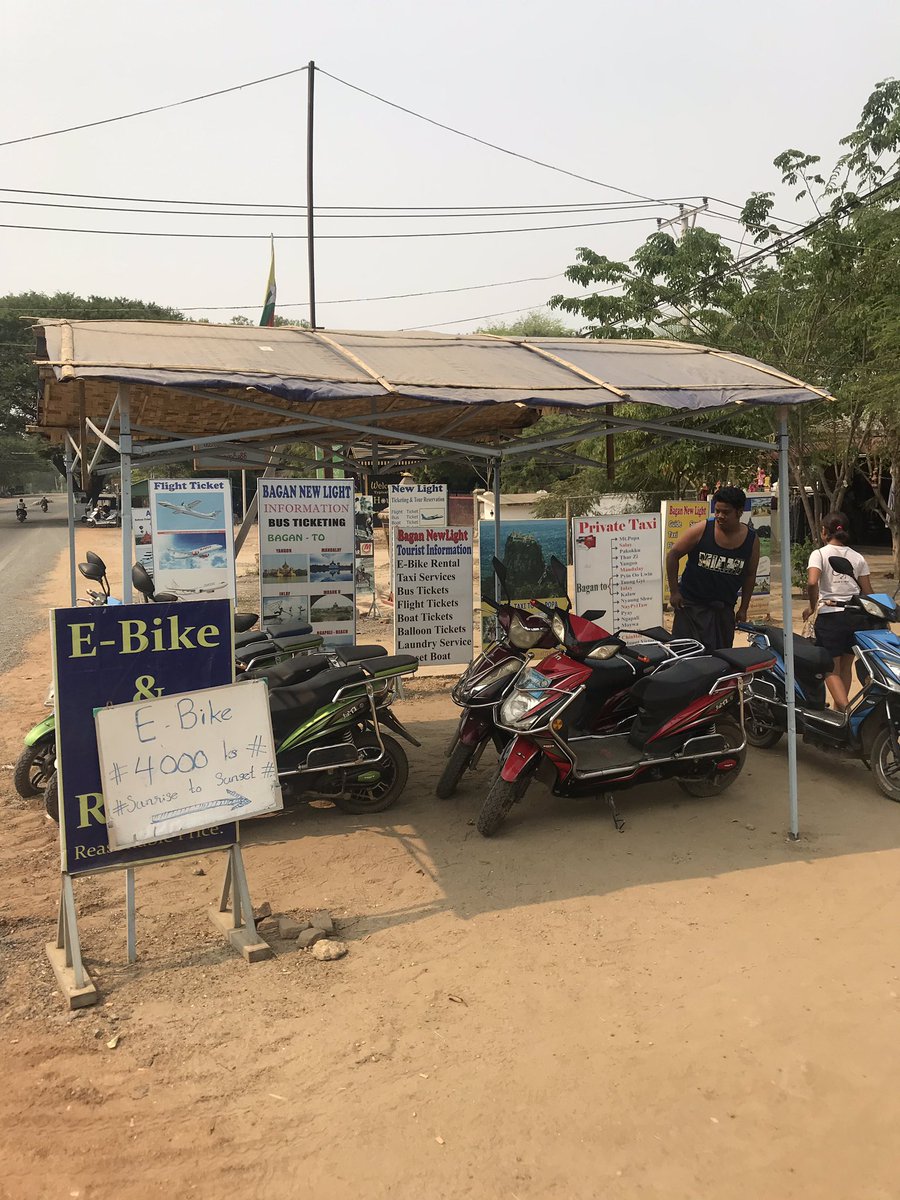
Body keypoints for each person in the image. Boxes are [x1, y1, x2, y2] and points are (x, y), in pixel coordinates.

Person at [666, 486, 759, 651]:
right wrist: (674, 592)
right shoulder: (702, 530)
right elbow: (673, 555)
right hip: (691, 608)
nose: (720, 516)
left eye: (726, 512)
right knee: (685, 656)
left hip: (723, 612)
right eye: (717, 511)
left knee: (720, 659)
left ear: (739, 512)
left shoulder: (751, 540)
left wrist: (743, 608)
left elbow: (750, 575)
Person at [802, 512, 872, 711]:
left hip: (831, 617)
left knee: (830, 668)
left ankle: (845, 710)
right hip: (855, 617)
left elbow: (812, 582)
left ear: (824, 531)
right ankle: (839, 710)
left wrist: (812, 606)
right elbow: (868, 592)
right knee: (846, 666)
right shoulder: (857, 557)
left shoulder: (819, 554)